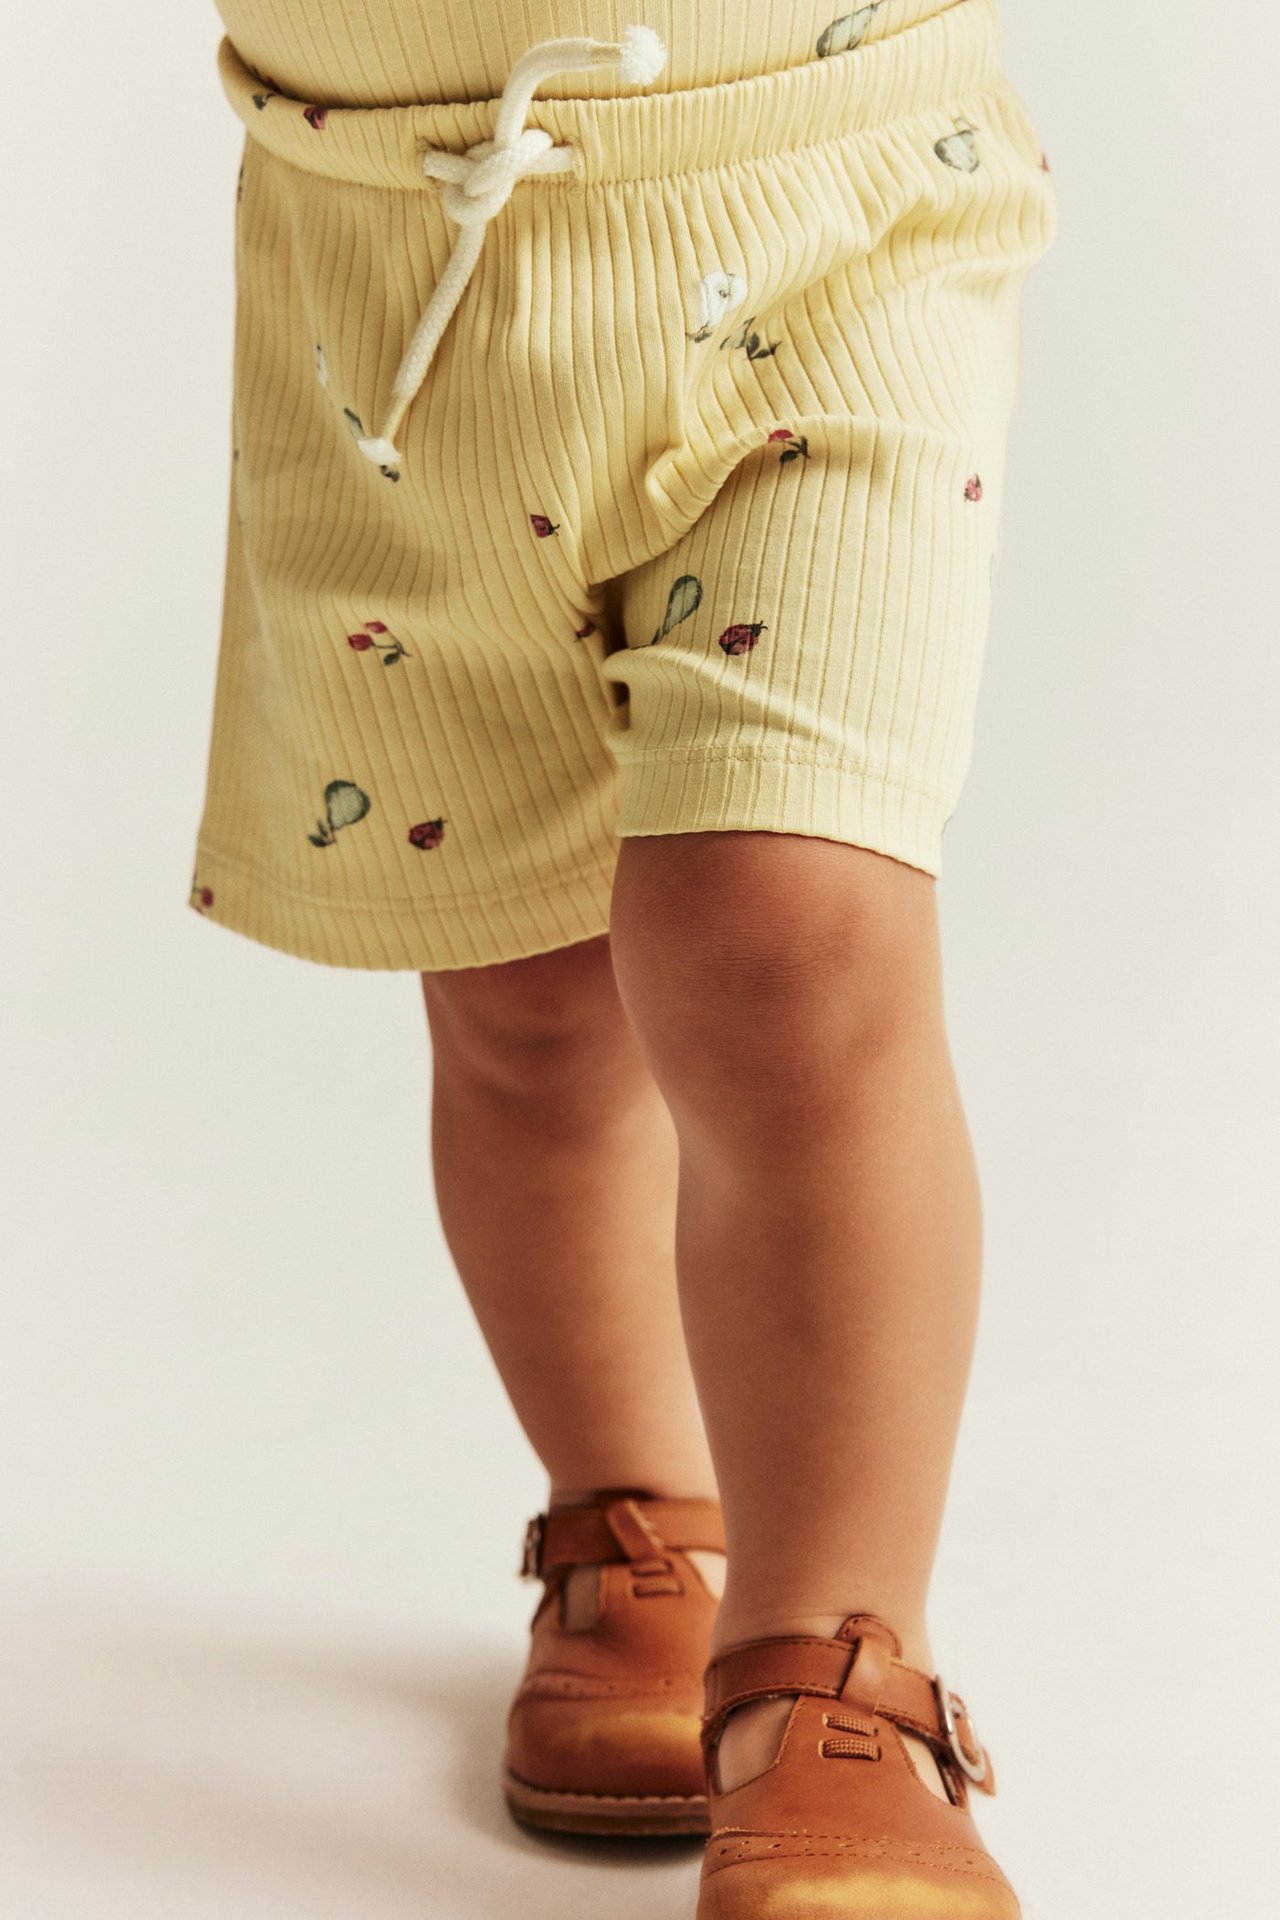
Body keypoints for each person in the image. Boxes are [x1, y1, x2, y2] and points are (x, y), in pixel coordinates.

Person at [188, 3, 1059, 1911]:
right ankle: (638, 1517)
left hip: (824, 201)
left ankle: (834, 1674)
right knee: (529, 997)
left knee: (785, 925)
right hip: (389, 261)